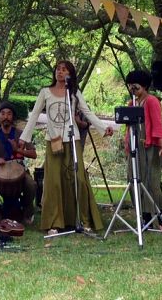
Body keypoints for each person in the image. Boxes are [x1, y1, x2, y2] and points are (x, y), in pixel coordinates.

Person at [19, 60, 117, 235]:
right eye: (58, 69)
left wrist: (103, 128)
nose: (60, 72)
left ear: (70, 74)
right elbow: (34, 115)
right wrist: (24, 138)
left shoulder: (74, 93)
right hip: (53, 141)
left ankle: (82, 220)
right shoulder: (45, 92)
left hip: (72, 140)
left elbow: (87, 112)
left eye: (64, 70)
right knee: (54, 182)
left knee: (79, 179)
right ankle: (55, 223)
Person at [124, 70, 162, 230]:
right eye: (130, 86)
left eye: (135, 87)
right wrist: (127, 145)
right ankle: (145, 218)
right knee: (134, 181)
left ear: (144, 86)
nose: (132, 90)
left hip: (150, 147)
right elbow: (128, 128)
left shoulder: (151, 101)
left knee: (152, 183)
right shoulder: (132, 104)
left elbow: (157, 125)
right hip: (135, 147)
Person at [0, 100, 37, 226]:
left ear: (13, 117)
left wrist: (18, 150)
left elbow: (34, 154)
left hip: (20, 170)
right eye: (3, 114)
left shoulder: (21, 134)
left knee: (31, 185)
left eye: (9, 114)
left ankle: (27, 213)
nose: (6, 117)